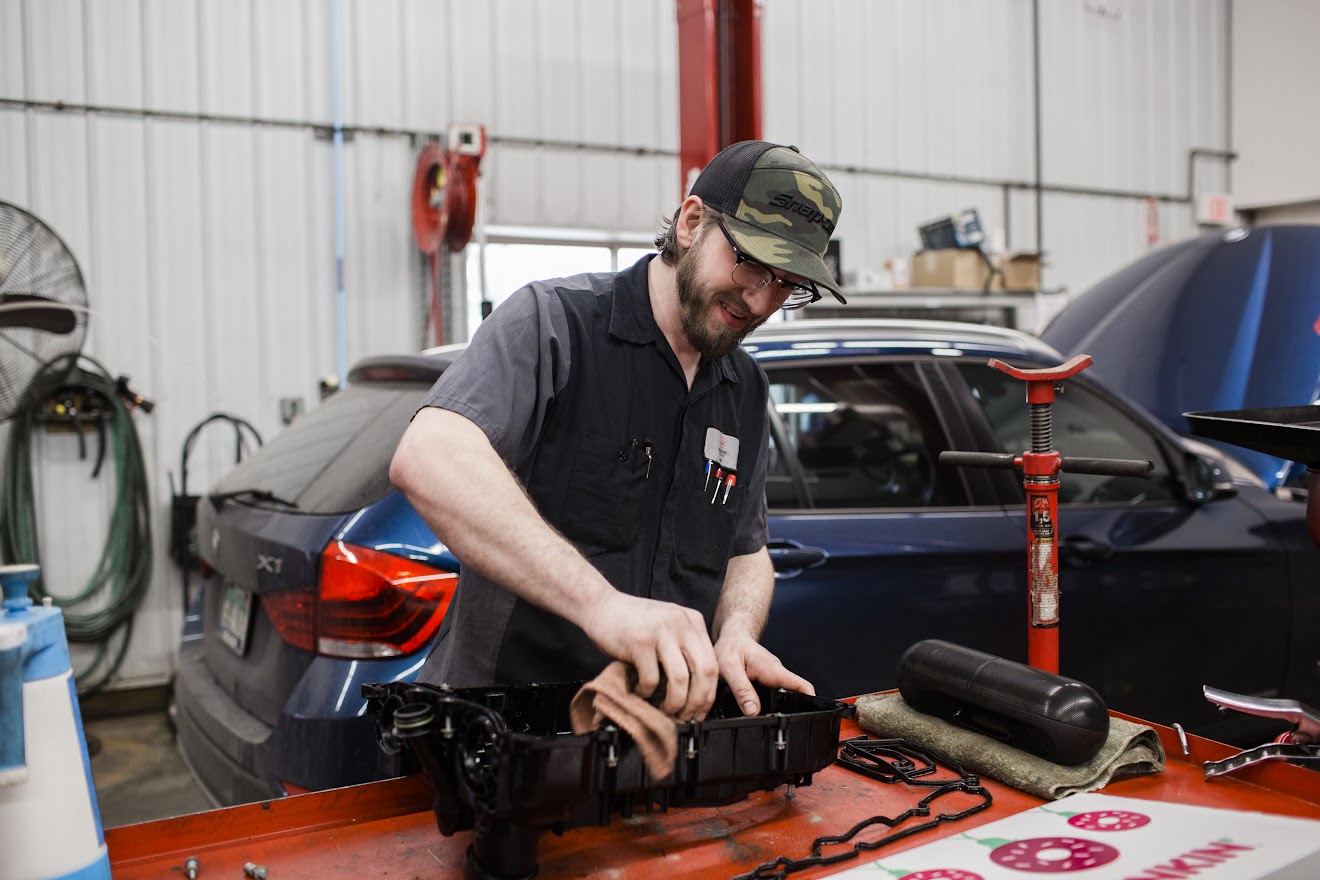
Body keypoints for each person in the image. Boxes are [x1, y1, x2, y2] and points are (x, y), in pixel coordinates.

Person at [390, 140, 845, 722]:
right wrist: (600, 605)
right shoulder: (554, 324)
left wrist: (735, 631)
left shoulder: (745, 388)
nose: (761, 300)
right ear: (691, 222)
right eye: (750, 262)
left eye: (786, 284)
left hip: (653, 745)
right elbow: (430, 454)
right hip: (507, 734)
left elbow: (745, 548)